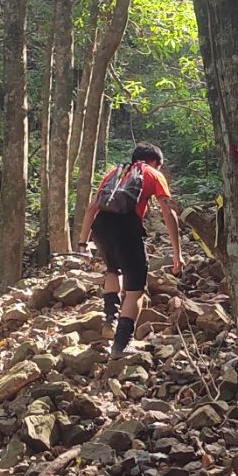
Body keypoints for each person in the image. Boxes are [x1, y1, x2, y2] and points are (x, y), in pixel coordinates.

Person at [78, 143, 182, 356]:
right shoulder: (153, 174)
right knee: (136, 289)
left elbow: (91, 208)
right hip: (126, 227)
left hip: (101, 226)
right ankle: (121, 345)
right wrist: (177, 252)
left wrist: (83, 243)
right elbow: (168, 212)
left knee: (112, 270)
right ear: (155, 162)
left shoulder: (115, 173)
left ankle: (110, 321)